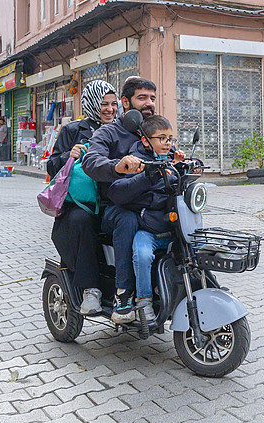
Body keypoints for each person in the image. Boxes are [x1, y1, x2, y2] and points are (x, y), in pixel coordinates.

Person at [82, 76, 166, 323]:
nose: (149, 103)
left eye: (152, 98)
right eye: (142, 98)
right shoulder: (108, 132)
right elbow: (91, 161)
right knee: (127, 219)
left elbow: (169, 153)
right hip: (116, 208)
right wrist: (117, 166)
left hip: (151, 206)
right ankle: (123, 294)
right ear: (125, 102)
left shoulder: (153, 130)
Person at [105, 115, 187, 324]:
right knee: (141, 253)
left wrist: (184, 167)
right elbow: (117, 192)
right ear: (145, 140)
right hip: (146, 226)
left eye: (170, 138)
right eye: (162, 138)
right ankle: (139, 299)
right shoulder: (136, 162)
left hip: (169, 225)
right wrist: (146, 175)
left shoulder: (168, 160)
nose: (168, 143)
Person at [47, 80, 119, 315]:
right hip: (81, 204)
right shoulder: (73, 130)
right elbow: (52, 166)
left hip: (114, 201)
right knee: (81, 221)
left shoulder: (122, 129)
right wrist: (70, 154)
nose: (109, 109)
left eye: (113, 104)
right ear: (91, 104)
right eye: (103, 104)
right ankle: (91, 289)